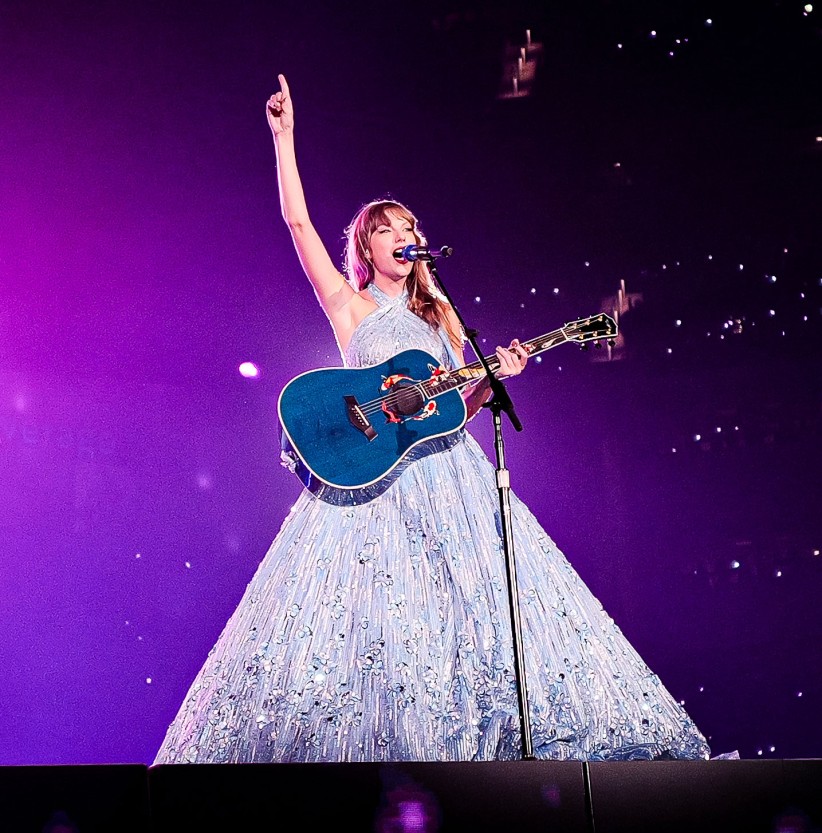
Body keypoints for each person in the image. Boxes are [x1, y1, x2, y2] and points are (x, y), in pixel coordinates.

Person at [153, 74, 711, 764]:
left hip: (451, 479)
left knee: (474, 614)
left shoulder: (441, 317)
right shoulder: (350, 305)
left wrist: (492, 380)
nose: (399, 236)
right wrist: (284, 137)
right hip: (375, 482)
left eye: (407, 227)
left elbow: (453, 416)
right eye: (383, 231)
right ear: (365, 248)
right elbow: (297, 223)